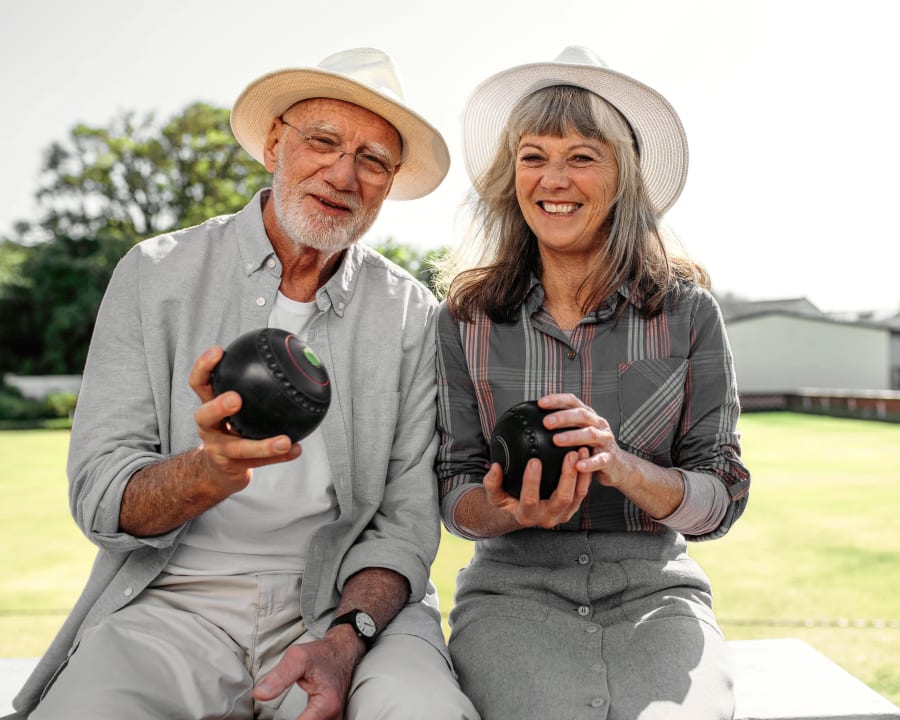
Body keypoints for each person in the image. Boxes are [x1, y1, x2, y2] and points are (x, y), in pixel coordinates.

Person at [7, 48, 478, 720]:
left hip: (343, 605)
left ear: (388, 181)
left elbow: (403, 528)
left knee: (423, 711)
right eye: (323, 141)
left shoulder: (412, 317)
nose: (343, 173)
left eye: (373, 159)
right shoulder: (154, 274)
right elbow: (99, 497)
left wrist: (347, 642)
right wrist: (207, 472)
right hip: (171, 602)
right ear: (274, 144)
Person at [434, 46, 751, 720]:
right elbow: (454, 488)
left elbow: (721, 500)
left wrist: (626, 468)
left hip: (656, 595)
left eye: (582, 155)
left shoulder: (688, 314)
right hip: (510, 596)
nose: (554, 178)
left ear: (623, 177)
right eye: (533, 155)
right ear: (509, 175)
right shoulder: (466, 319)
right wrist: (507, 511)